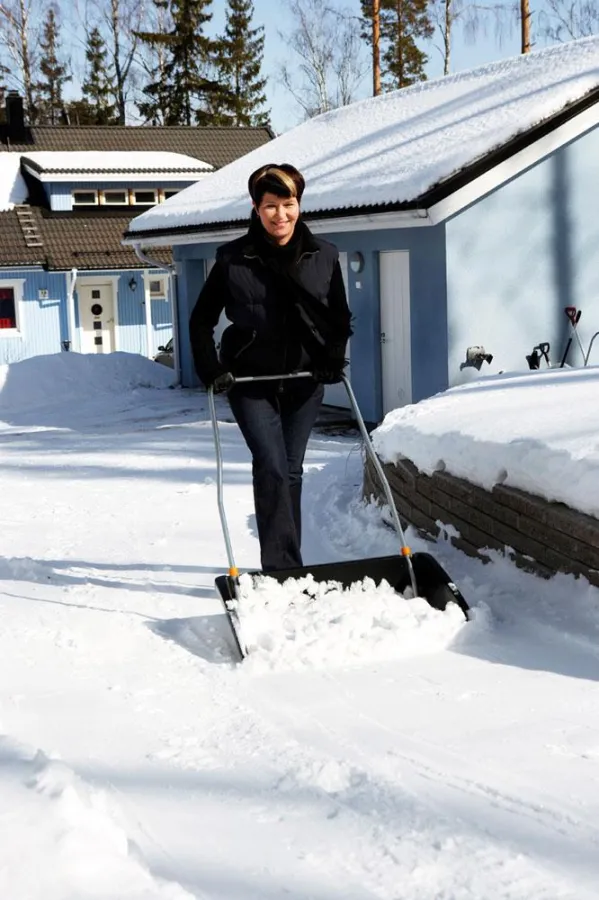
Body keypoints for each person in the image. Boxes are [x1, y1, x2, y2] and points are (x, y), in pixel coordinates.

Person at [189, 163, 352, 572]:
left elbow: (339, 317)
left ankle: (288, 564)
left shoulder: (324, 255)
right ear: (256, 208)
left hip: (304, 380)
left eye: (288, 204)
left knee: (291, 472)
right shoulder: (233, 259)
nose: (281, 215)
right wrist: (211, 368)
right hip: (250, 381)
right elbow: (201, 320)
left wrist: (332, 359)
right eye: (270, 206)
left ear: (300, 204)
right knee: (272, 468)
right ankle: (283, 571)